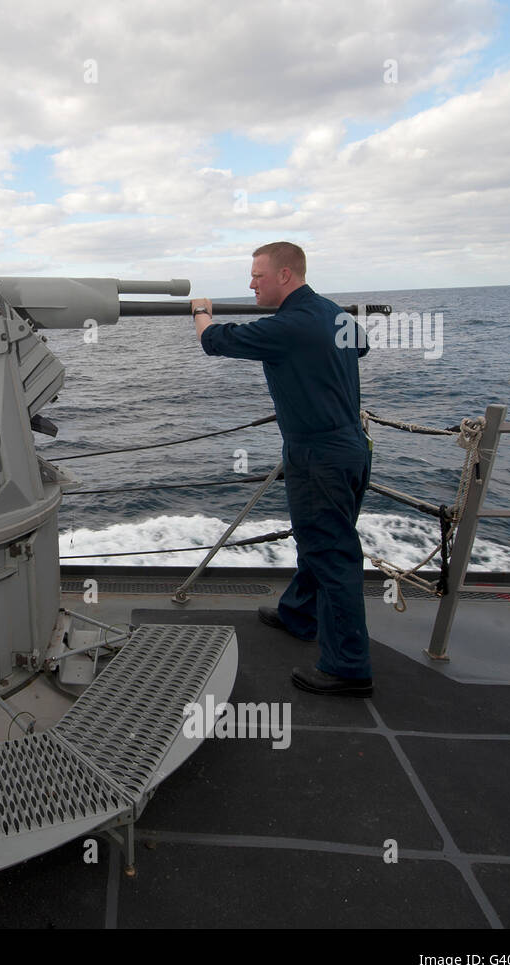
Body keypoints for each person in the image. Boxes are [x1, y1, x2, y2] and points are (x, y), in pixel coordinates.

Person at [191, 242, 373, 696]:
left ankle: (348, 668)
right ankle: (299, 614)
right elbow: (363, 345)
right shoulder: (334, 314)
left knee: (333, 554)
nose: (251, 284)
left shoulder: (288, 326)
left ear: (285, 275)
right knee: (320, 540)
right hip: (351, 448)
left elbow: (214, 341)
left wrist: (201, 311)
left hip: (320, 456)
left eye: (257, 276)